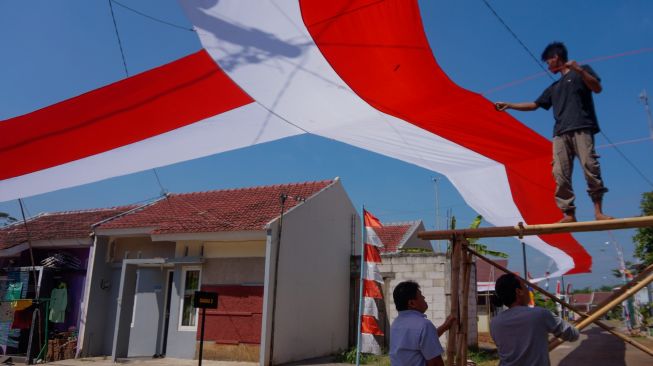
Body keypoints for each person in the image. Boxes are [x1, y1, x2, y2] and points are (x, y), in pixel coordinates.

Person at [495, 41, 612, 223]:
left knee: (590, 166)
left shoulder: (582, 72)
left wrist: (579, 70)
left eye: (548, 61)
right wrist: (510, 105)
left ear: (555, 58)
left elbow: (597, 88)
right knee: (560, 173)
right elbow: (534, 105)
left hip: (581, 127)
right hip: (560, 133)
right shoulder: (554, 88)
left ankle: (598, 212)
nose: (547, 65)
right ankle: (569, 214)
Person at [490, 273, 579, 366]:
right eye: (525, 286)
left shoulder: (495, 323)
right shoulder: (540, 314)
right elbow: (573, 334)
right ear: (519, 291)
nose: (529, 290)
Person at [389, 281, 455, 366]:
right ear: (412, 303)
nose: (424, 297)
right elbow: (435, 363)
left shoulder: (396, 323)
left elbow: (422, 341)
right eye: (420, 295)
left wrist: (445, 326)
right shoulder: (424, 325)